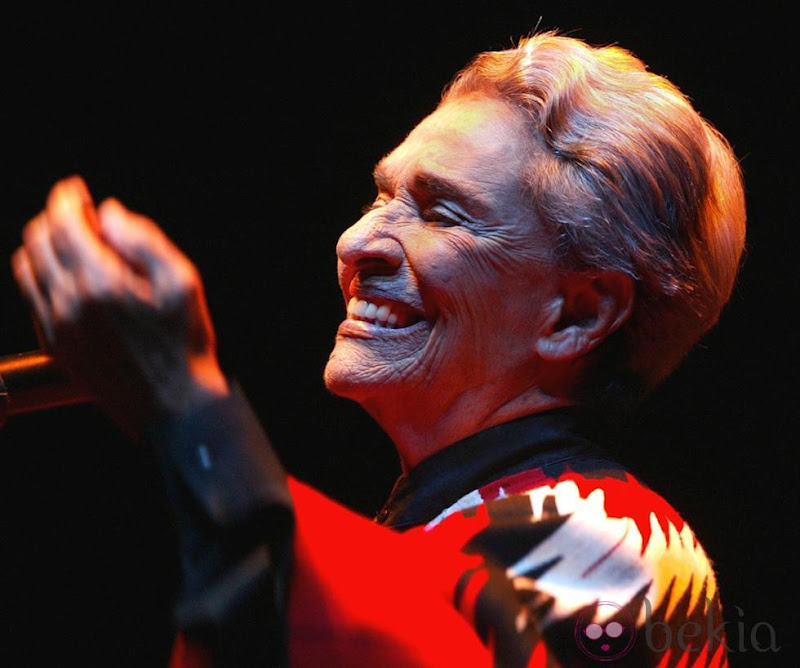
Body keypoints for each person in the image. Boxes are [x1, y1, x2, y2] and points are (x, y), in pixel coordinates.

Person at [11, 31, 745, 667]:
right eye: (381, 197)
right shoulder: (457, 529)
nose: (356, 242)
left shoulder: (621, 550)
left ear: (577, 315)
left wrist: (186, 409)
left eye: (439, 212)